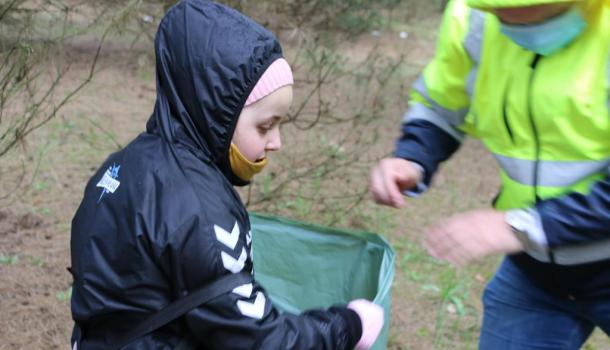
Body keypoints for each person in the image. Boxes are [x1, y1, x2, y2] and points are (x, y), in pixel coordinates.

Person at [69, 1, 384, 349]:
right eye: (265, 127)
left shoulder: (119, 168)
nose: (276, 142)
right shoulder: (200, 212)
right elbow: (261, 341)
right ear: (217, 115)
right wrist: (348, 325)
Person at [370, 0, 610, 348]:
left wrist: (521, 225)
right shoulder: (473, 17)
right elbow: (441, 104)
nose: (506, 20)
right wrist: (413, 158)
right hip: (534, 273)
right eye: (497, 10)